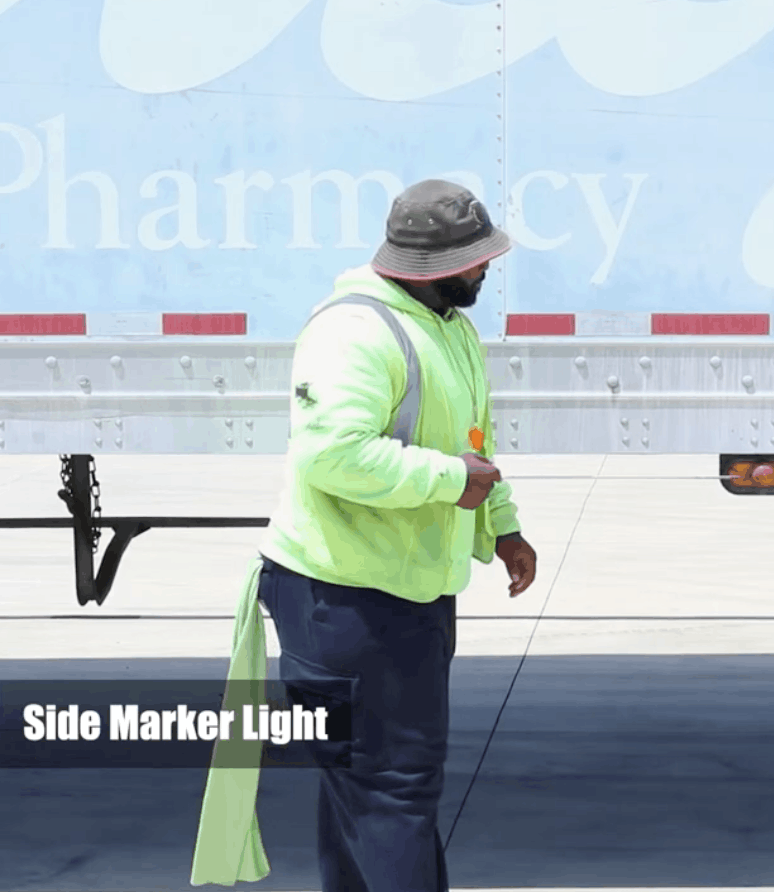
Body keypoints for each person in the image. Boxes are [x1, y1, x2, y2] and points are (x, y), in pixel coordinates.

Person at [191, 179, 538, 892]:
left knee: (364, 788)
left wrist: (502, 527)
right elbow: (330, 455)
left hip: (404, 593)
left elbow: (474, 441)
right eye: (476, 259)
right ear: (432, 266)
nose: (487, 269)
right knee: (392, 790)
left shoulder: (450, 328)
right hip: (345, 602)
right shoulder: (354, 330)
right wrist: (449, 481)